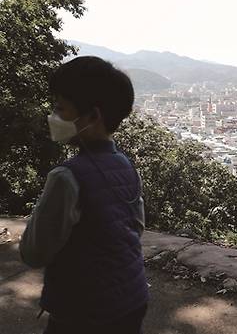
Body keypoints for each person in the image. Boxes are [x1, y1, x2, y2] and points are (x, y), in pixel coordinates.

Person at [19, 56, 149, 334]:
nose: (54, 116)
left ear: (93, 116)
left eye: (60, 108)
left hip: (83, 310)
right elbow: (136, 227)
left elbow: (34, 251)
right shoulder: (128, 167)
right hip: (133, 297)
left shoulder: (66, 177)